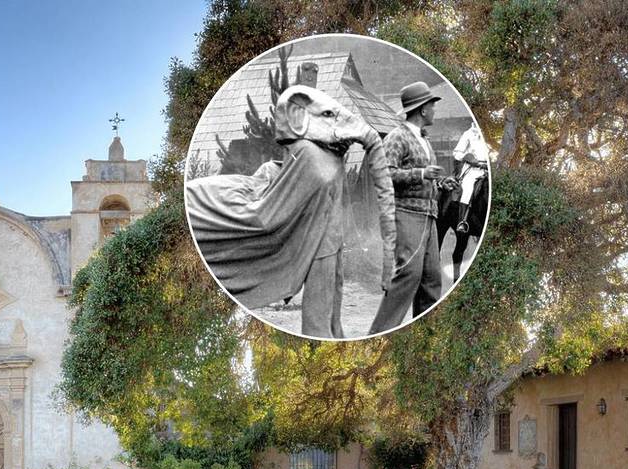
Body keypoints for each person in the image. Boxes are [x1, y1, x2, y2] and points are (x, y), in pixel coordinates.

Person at [187, 84, 395, 339]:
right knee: (319, 319)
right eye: (327, 115)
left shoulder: (323, 153)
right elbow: (279, 210)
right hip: (320, 244)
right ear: (299, 117)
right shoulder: (309, 154)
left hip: (331, 240)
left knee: (332, 315)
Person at [369, 81, 455, 334]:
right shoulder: (398, 137)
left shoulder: (424, 139)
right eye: (432, 105)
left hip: (429, 217)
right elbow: (384, 173)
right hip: (406, 214)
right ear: (422, 109)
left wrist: (440, 182)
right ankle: (379, 334)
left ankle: (423, 339)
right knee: (408, 274)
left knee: (432, 280)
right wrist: (421, 173)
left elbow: (425, 176)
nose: (435, 110)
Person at [451, 122, 489, 233]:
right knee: (468, 189)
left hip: (487, 168)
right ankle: (462, 221)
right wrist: (469, 157)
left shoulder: (487, 132)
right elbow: (456, 153)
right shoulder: (468, 134)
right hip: (473, 169)